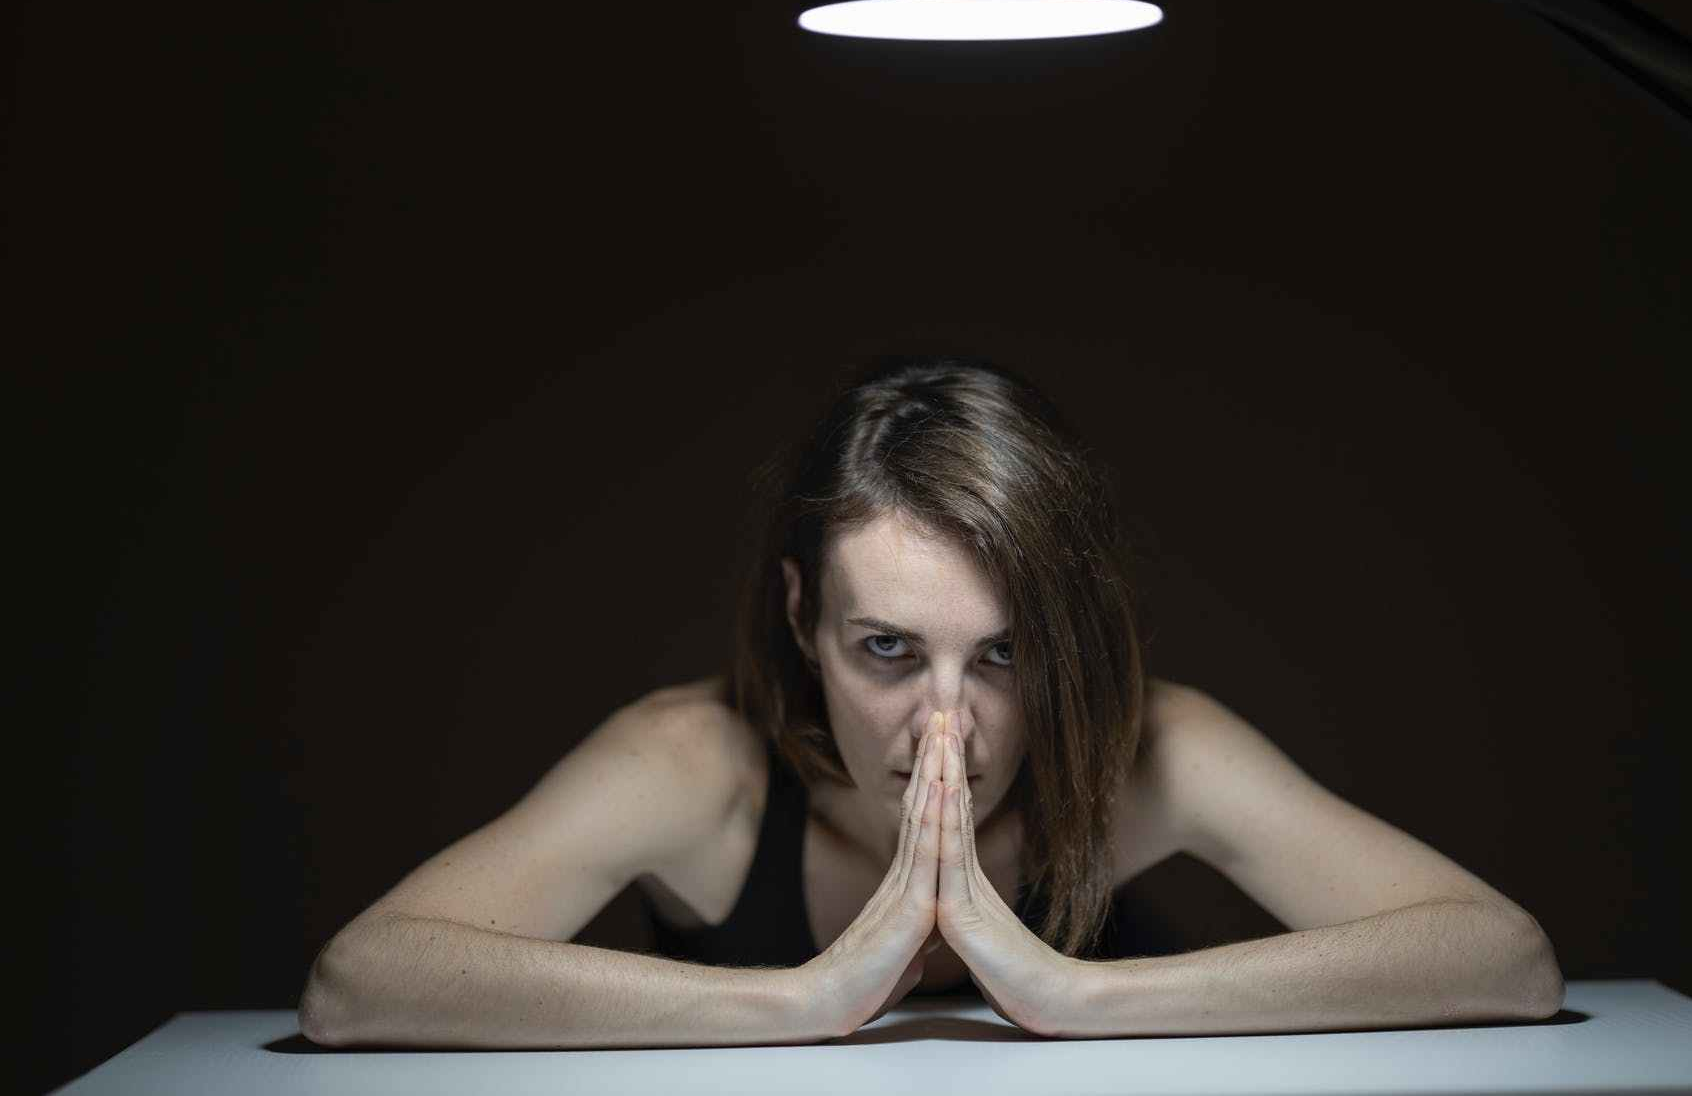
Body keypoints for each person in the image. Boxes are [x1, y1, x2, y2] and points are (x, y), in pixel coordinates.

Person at [296, 354, 1560, 1049]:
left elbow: (1501, 957)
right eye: (888, 647)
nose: (944, 722)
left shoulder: (1146, 750)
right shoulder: (696, 763)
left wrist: (1074, 993)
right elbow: (361, 982)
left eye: (1003, 656)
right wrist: (804, 998)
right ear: (800, 618)